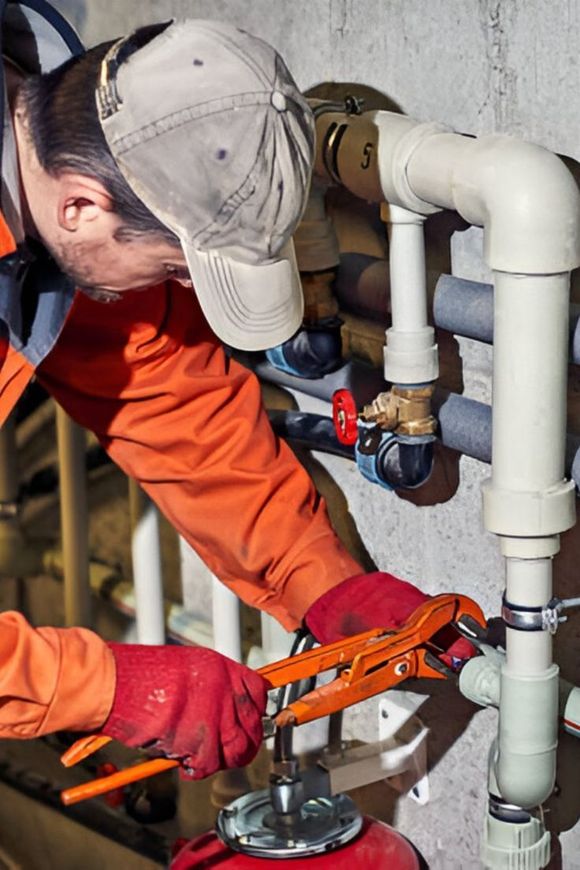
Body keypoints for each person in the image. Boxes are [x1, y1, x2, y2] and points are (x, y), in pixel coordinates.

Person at [0, 10, 473, 780]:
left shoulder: (58, 160)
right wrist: (99, 688)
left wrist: (319, 580)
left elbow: (165, 394)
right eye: (176, 269)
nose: (180, 288)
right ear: (81, 206)